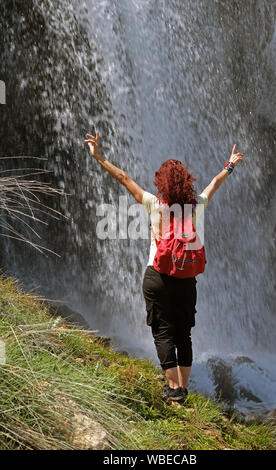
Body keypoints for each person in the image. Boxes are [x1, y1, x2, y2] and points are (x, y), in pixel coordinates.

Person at [85, 131, 244, 402]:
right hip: (185, 279)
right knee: (184, 334)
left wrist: (99, 156)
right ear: (187, 183)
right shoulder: (196, 207)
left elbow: (123, 178)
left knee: (163, 331)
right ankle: (183, 389)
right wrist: (229, 165)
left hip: (157, 275)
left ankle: (171, 390)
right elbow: (215, 183)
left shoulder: (154, 204)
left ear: (162, 183)